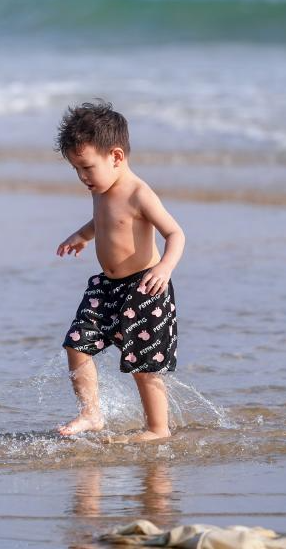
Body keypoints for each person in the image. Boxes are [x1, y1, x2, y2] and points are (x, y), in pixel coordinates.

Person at [54, 101, 186, 443]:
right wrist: (83, 235)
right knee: (76, 344)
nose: (83, 177)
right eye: (76, 169)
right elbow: (105, 221)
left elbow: (176, 234)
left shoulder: (139, 193)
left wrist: (165, 267)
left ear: (116, 156)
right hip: (107, 288)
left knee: (144, 366)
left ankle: (157, 429)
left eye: (86, 167)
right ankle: (91, 413)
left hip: (145, 288)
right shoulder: (100, 187)